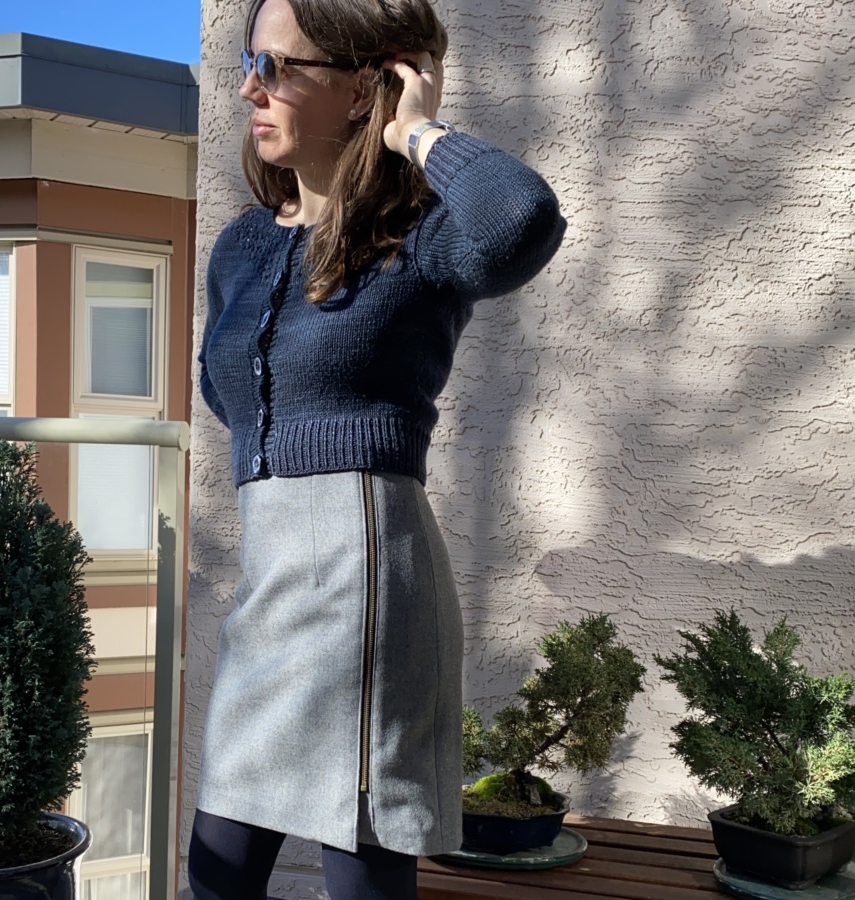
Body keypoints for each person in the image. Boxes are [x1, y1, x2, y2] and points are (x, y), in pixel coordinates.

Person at [189, 0, 567, 896]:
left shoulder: (423, 238)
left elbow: (521, 217)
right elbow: (228, 393)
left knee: (359, 874)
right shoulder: (245, 244)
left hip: (364, 581)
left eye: (280, 67)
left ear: (365, 88)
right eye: (252, 61)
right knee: (216, 872)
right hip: (274, 579)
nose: (250, 86)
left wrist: (421, 131)